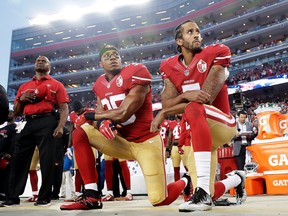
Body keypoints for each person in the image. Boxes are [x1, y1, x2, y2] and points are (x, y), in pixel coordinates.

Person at [60, 45, 191, 210]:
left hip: (146, 142)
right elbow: (101, 112)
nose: (113, 57)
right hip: (121, 141)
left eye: (115, 54)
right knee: (81, 133)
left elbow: (123, 113)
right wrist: (101, 122)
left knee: (159, 200)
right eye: (107, 56)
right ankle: (91, 195)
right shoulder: (99, 84)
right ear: (100, 63)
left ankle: (186, 180)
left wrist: (90, 115)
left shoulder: (136, 72)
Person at [150, 20, 243, 211]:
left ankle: (201, 194)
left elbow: (205, 98)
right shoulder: (169, 66)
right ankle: (236, 179)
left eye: (198, 31)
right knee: (210, 190)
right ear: (179, 41)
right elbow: (167, 102)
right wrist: (184, 95)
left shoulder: (216, 53)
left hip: (222, 124)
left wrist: (166, 111)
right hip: (197, 135)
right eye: (190, 32)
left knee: (194, 107)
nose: (197, 35)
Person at [3, 56, 69, 207]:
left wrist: (60, 126)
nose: (40, 61)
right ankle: (12, 196)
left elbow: (64, 107)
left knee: (47, 160)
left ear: (49, 66)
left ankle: (44, 196)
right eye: (38, 60)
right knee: (18, 158)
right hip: (27, 122)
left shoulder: (56, 84)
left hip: (48, 121)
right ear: (34, 65)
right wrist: (21, 99)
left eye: (44, 60)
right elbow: (17, 112)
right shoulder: (24, 86)